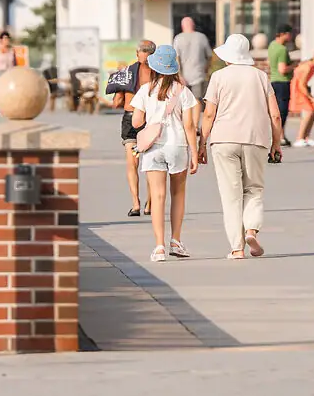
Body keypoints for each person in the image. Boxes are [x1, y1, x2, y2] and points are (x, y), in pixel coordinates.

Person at [200, 33, 285, 259]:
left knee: (231, 195)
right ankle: (251, 230)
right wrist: (276, 143)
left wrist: (201, 142)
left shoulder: (218, 77)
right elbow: (275, 115)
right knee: (254, 189)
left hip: (223, 139)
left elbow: (209, 114)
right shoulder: (260, 76)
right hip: (256, 139)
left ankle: (237, 248)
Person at [132, 43, 200, 263]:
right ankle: (176, 241)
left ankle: (159, 246)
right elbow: (189, 125)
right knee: (178, 194)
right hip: (177, 146)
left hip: (153, 148)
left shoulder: (145, 90)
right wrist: (195, 153)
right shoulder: (183, 92)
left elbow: (136, 122)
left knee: (158, 196)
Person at [106, 39, 155, 217]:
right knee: (150, 163)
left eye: (147, 51)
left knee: (134, 164)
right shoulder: (159, 74)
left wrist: (120, 100)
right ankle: (147, 204)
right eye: (146, 51)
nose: (146, 54)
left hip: (136, 119)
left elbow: (117, 102)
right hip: (146, 121)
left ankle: (137, 204)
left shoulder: (126, 74)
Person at [173, 16, 213, 98]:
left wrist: (179, 75)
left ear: (182, 26)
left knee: (185, 101)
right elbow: (209, 56)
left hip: (184, 76)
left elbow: (176, 58)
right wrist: (206, 70)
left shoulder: (178, 38)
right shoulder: (201, 37)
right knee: (197, 100)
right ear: (193, 25)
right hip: (199, 74)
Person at [267, 28, 295, 144]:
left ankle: (281, 136)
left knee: (275, 110)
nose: (291, 37)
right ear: (284, 34)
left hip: (273, 81)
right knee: (282, 112)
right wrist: (294, 66)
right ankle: (278, 137)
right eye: (289, 34)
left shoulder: (272, 45)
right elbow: (282, 69)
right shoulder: (282, 49)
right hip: (283, 82)